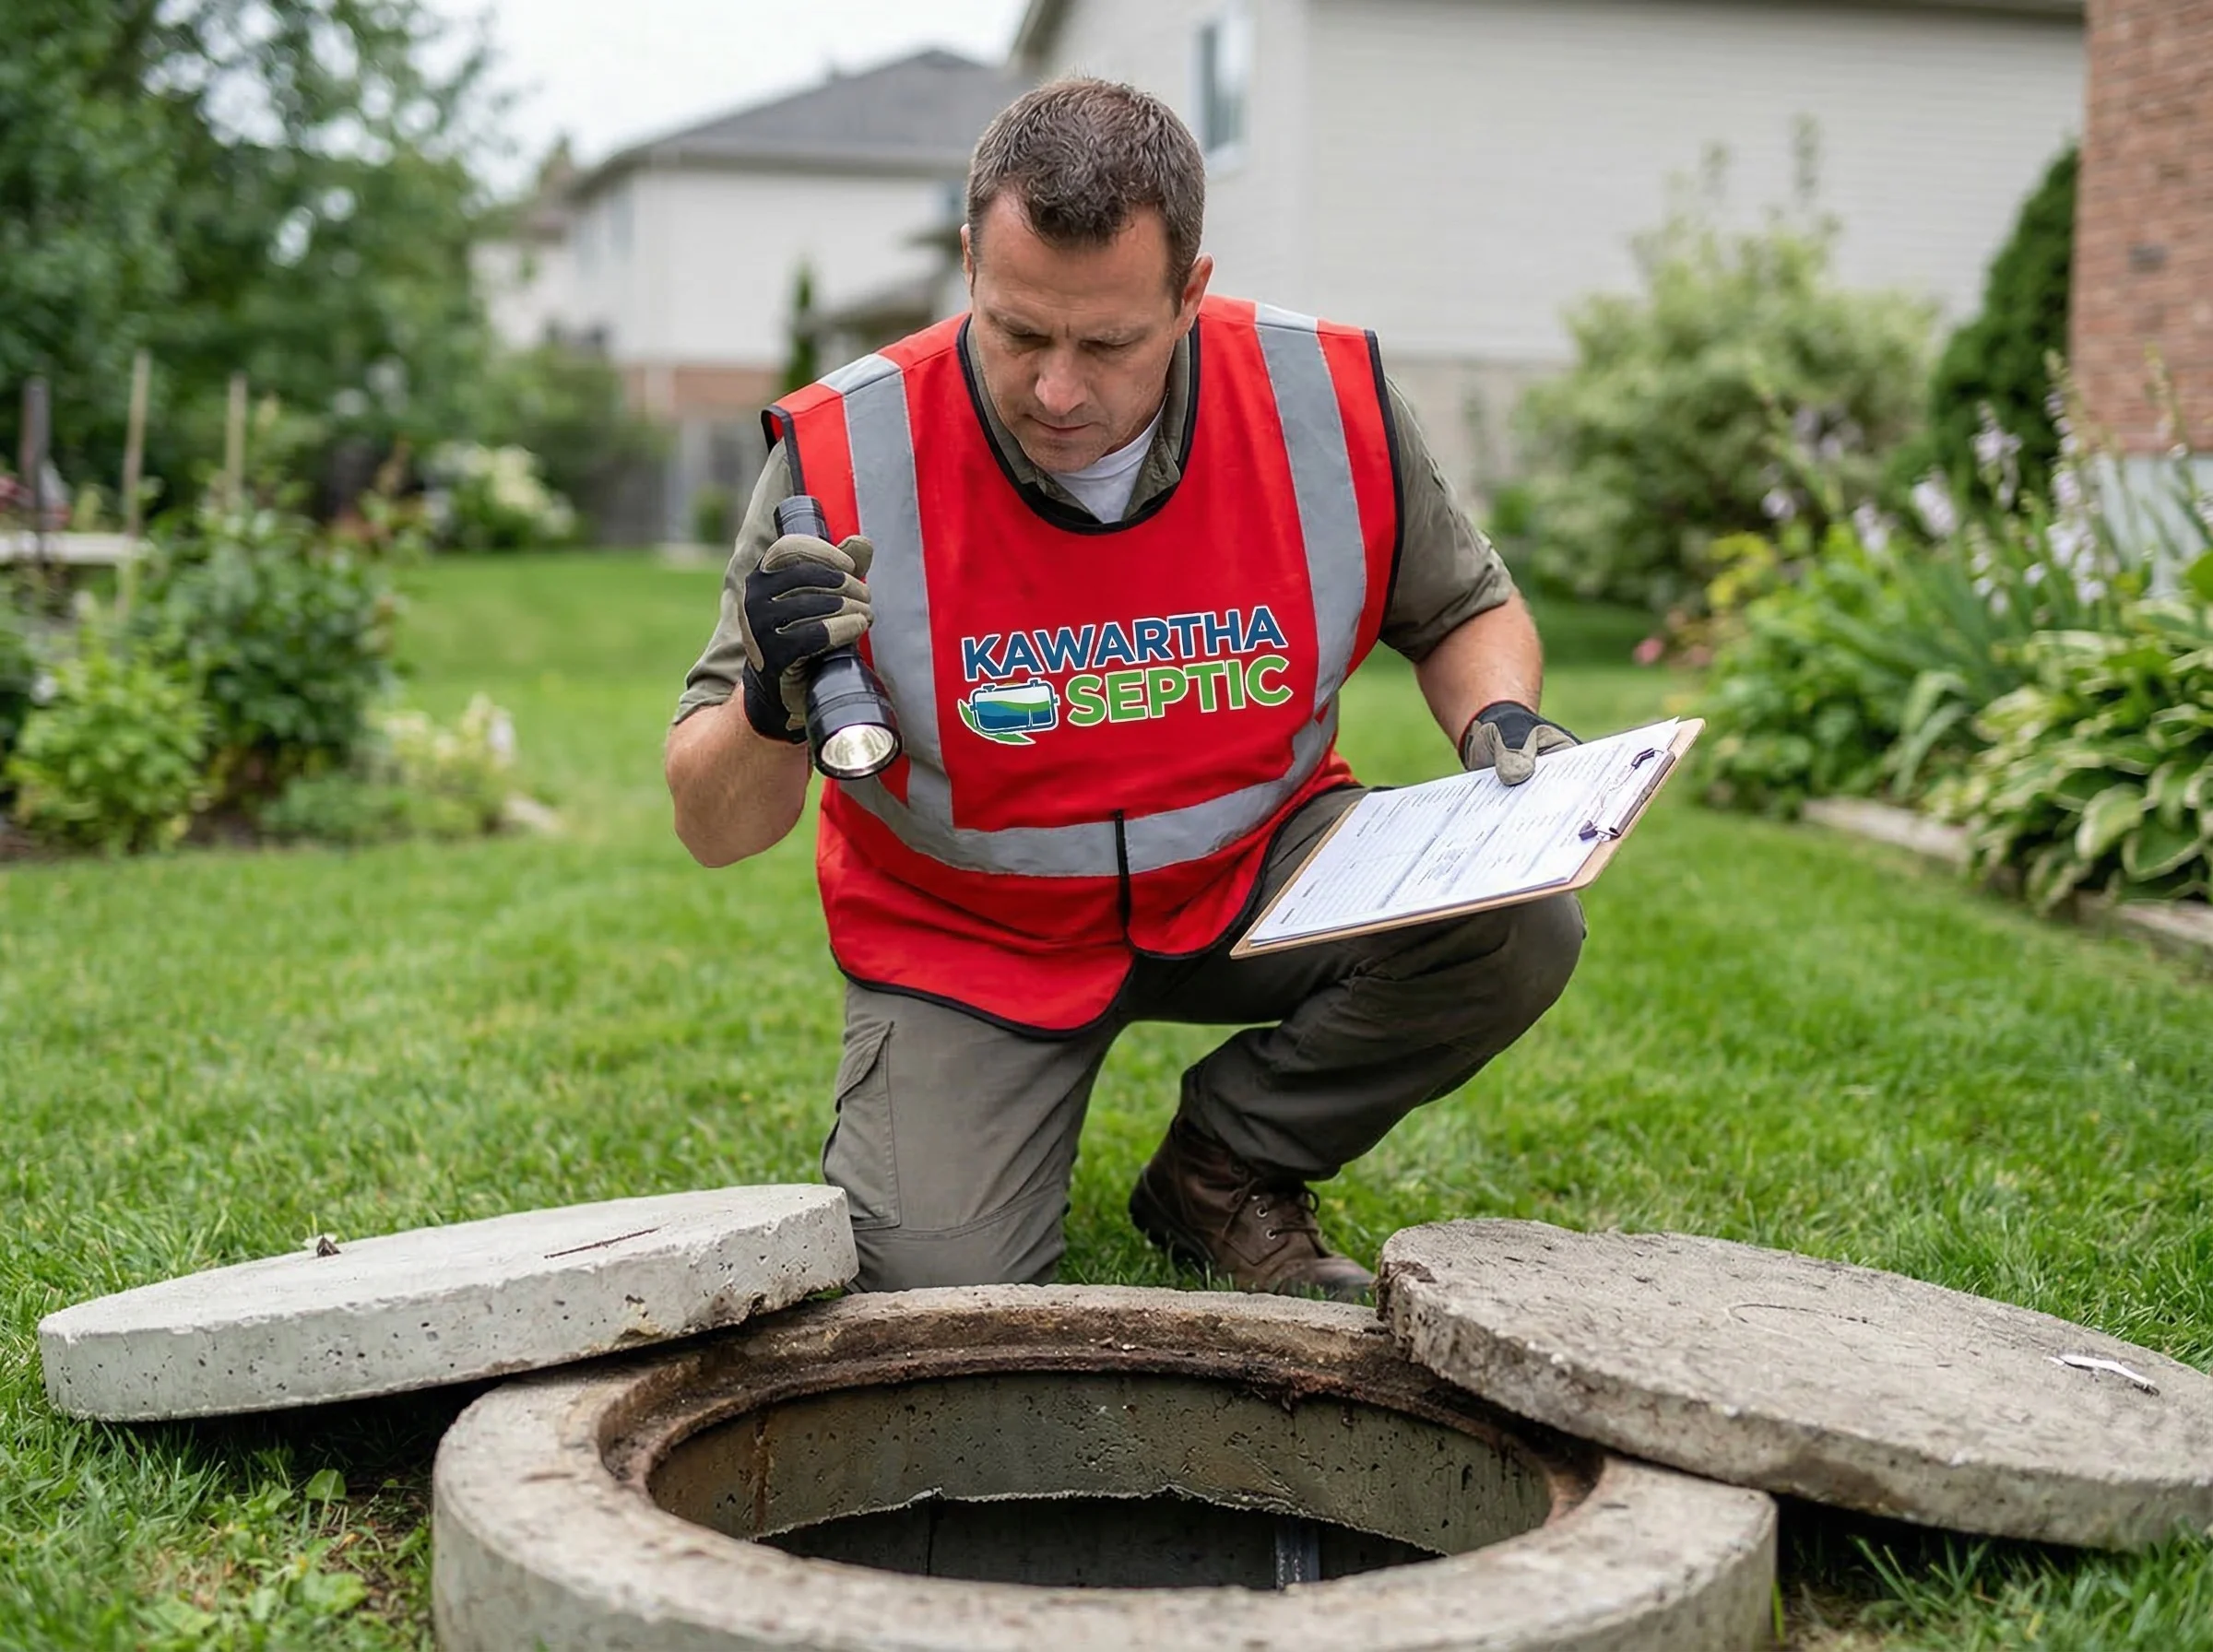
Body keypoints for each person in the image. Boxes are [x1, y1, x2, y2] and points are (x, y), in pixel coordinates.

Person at [666, 78, 1581, 1302]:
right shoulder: (840, 454)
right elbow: (714, 828)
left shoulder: (1323, 399)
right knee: (943, 1293)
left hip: (1259, 870)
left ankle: (1224, 1168)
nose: (1056, 389)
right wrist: (775, 703)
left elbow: (1460, 609)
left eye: (1107, 344)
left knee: (1523, 913)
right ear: (966, 264)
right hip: (970, 935)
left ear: (1190, 292)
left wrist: (1499, 719)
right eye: (1015, 331)